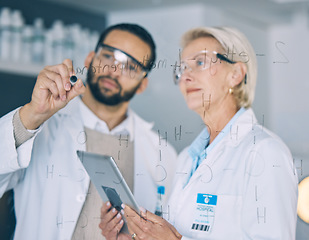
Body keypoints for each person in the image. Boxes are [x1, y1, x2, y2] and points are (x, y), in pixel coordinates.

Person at [100, 26, 298, 240]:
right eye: (182, 68)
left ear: (235, 75)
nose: (185, 76)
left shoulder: (266, 153)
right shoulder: (187, 158)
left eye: (200, 63)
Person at [0, 23, 177, 240]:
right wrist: (32, 114)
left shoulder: (162, 154)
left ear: (142, 84)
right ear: (90, 59)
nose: (114, 70)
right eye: (109, 56)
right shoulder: (42, 126)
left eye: (130, 67)